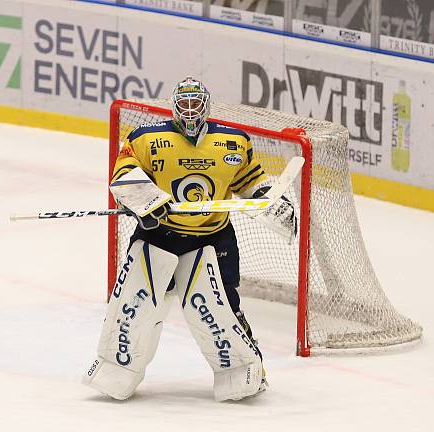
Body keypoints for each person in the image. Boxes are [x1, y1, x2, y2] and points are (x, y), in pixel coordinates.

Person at [81, 77, 297, 402]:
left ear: (206, 105)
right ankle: (116, 369)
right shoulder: (146, 139)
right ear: (175, 105)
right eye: (186, 104)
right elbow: (124, 173)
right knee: (133, 306)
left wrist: (269, 199)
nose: (191, 110)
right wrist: (145, 203)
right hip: (158, 236)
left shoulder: (233, 142)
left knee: (220, 309)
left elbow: (251, 180)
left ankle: (245, 372)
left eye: (197, 104)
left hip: (212, 239)